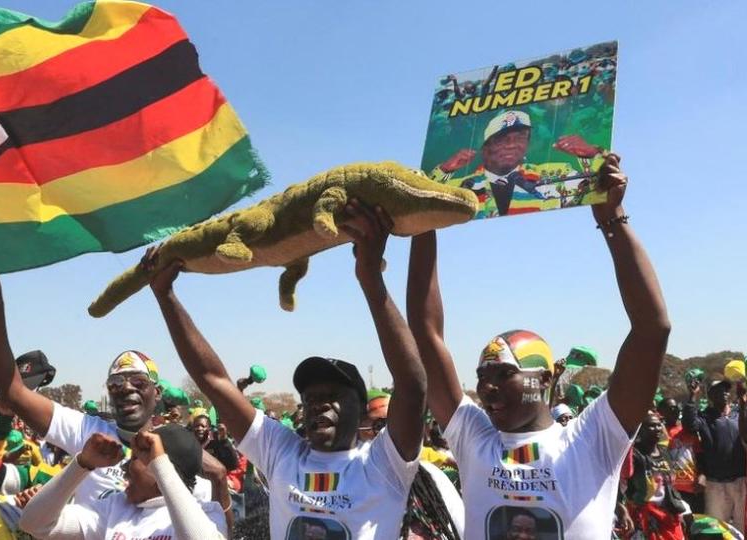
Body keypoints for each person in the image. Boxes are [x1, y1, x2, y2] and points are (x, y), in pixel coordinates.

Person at [407, 153, 671, 537]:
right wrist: (423, 223)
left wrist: (611, 220)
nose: (487, 386)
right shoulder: (473, 440)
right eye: (482, 375)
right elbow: (426, 335)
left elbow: (651, 328)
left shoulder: (591, 440)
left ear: (545, 379)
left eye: (505, 373)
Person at [144, 200, 431, 539]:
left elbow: (412, 384)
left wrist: (370, 278)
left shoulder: (383, 465)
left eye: (333, 396)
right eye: (310, 398)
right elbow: (214, 381)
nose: (318, 404)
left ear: (360, 408)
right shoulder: (281, 454)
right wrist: (165, 296)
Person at [0, 277, 230, 518]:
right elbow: (13, 393)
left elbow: (218, 529)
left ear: (157, 392)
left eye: (138, 382)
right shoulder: (89, 432)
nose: (126, 388)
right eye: (116, 383)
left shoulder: (177, 450)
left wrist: (219, 480)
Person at [20, 425, 227, 539]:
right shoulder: (115, 508)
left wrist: (161, 466)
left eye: (137, 459)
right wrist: (82, 464)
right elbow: (34, 523)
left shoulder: (208, 513)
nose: (125, 468)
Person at [427, 110, 606, 218]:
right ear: (485, 146)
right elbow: (423, 200)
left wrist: (593, 153)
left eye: (520, 137)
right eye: (502, 138)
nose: (512, 143)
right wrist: (444, 170)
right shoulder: (464, 186)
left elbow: (603, 188)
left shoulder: (555, 174)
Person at [685, 378, 744, 530]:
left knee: (742, 527)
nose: (723, 392)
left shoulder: (740, 414)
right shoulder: (705, 417)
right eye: (718, 390)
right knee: (716, 528)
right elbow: (689, 424)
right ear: (710, 396)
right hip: (716, 484)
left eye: (725, 389)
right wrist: (692, 396)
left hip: (741, 481)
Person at [622, 412, 686, 539]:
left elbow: (670, 486)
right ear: (640, 430)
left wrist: (679, 511)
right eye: (651, 426)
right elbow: (624, 485)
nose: (657, 429)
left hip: (668, 514)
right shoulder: (634, 455)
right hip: (644, 517)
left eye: (658, 425)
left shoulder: (664, 453)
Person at [659, 397, 704, 513]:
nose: (675, 410)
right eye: (671, 408)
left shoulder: (690, 431)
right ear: (661, 412)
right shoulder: (658, 434)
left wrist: (702, 476)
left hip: (692, 489)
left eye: (677, 408)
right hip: (670, 490)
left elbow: (700, 456)